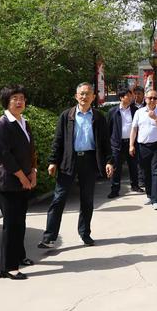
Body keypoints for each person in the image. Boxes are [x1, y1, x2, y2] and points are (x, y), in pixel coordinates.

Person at [38, 82, 113, 248]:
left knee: (87, 200)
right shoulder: (66, 116)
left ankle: (85, 234)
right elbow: (58, 140)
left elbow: (105, 142)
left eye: (87, 94)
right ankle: (49, 237)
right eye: (81, 94)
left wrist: (109, 161)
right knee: (58, 198)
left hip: (89, 161)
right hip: (68, 161)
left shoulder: (99, 117)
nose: (84, 97)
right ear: (76, 96)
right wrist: (53, 161)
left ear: (93, 97)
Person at [0, 86, 37, 280]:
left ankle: (19, 256)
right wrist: (22, 176)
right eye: (15, 99)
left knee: (20, 221)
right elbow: (5, 156)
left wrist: (33, 172)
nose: (19, 102)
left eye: (22, 98)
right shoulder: (2, 124)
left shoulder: (23, 122)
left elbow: (31, 150)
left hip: (24, 179)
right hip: (7, 182)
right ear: (6, 102)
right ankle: (8, 267)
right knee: (11, 224)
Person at [129, 90, 157, 209]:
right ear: (145, 99)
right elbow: (134, 129)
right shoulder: (139, 112)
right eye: (150, 98)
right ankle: (150, 195)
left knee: (156, 172)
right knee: (145, 172)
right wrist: (131, 145)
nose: (152, 100)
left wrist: (156, 118)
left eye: (155, 98)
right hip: (142, 146)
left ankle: (156, 200)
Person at [107, 88, 142, 198]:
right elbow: (108, 128)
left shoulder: (135, 110)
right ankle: (115, 189)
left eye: (130, 95)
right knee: (116, 166)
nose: (131, 97)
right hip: (117, 143)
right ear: (121, 97)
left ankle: (135, 185)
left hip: (131, 143)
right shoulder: (113, 111)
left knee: (133, 165)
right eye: (128, 95)